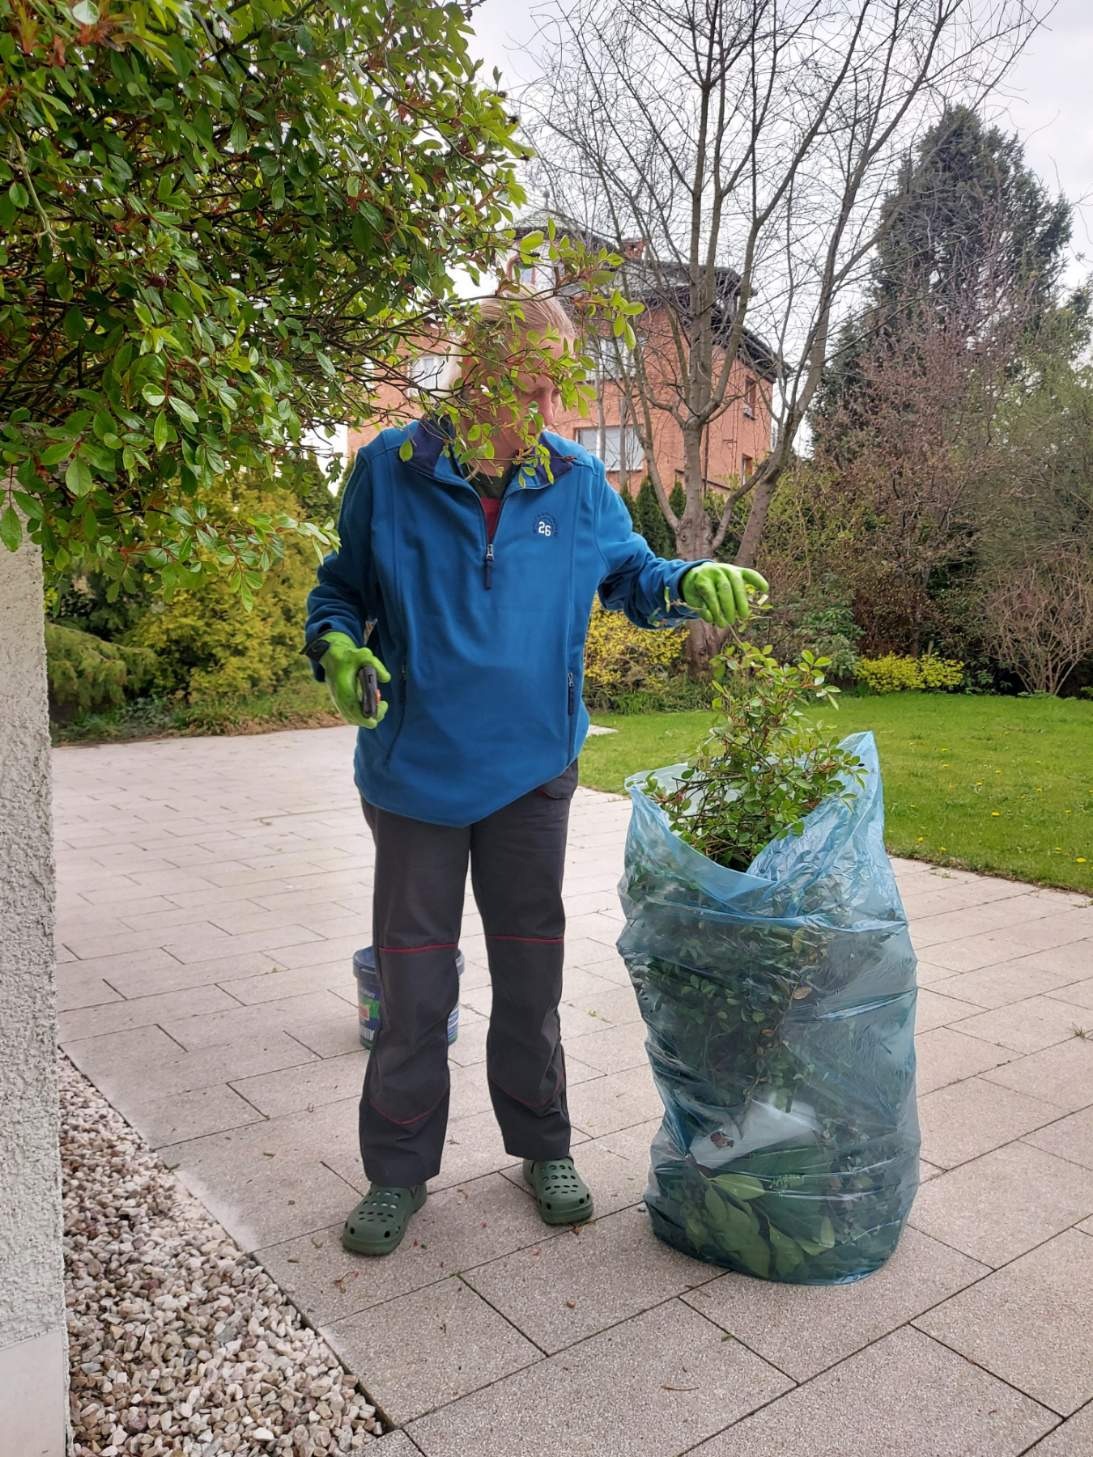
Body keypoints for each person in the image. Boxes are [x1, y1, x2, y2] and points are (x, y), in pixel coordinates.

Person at [303, 292, 767, 1256]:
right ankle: (396, 1171)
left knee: (530, 978)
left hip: (531, 775)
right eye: (531, 381)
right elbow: (338, 589)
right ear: (471, 375)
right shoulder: (390, 469)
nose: (552, 400)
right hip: (414, 774)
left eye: (557, 382)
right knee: (414, 987)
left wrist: (686, 587)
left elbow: (632, 579)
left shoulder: (576, 479)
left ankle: (541, 1144)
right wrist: (339, 650)